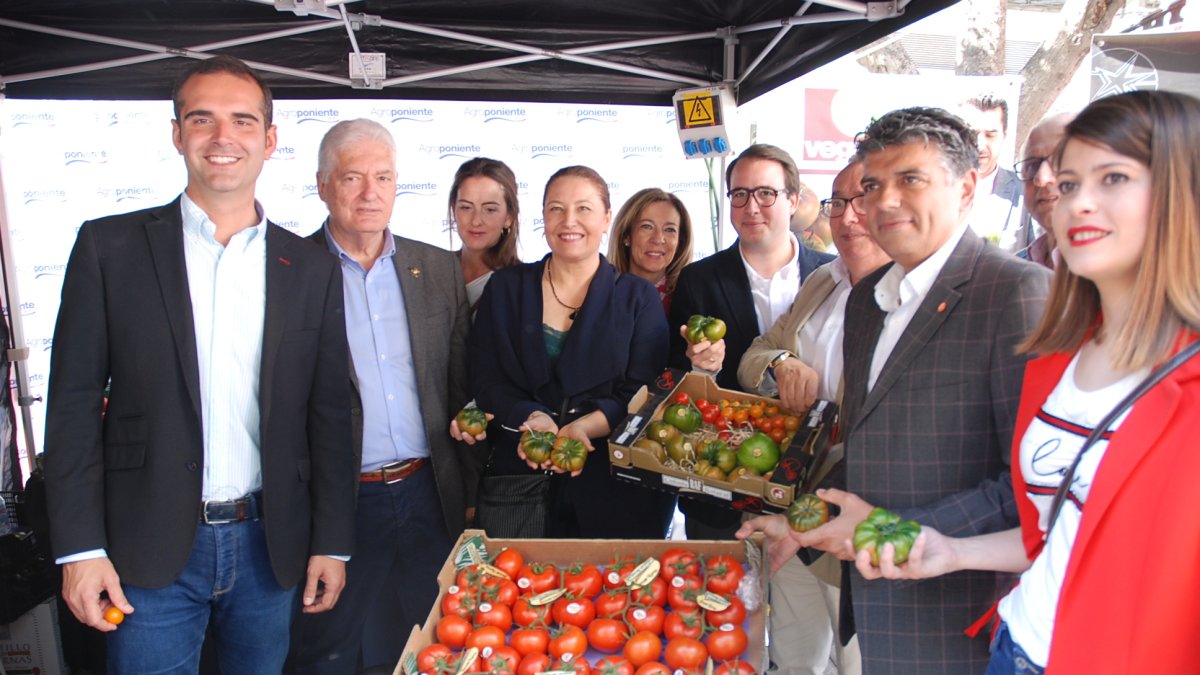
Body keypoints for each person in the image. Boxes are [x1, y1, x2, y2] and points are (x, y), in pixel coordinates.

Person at [855, 90, 1200, 674]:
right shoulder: (1061, 357)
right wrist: (949, 548)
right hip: (1016, 647)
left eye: (1112, 179)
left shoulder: (1019, 295)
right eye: (1067, 185)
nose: (1076, 204)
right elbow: (1055, 520)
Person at [43, 55, 357, 674]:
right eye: (202, 119)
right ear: (177, 134)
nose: (222, 138)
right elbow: (73, 405)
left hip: (271, 546)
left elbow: (329, 414)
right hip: (146, 547)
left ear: (269, 141)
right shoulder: (109, 248)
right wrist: (79, 548)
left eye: (242, 121)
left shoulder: (311, 267)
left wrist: (333, 542)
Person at [743, 106, 1051, 673]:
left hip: (960, 614)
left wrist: (892, 533)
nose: (883, 202)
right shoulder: (867, 301)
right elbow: (857, 452)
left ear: (966, 189)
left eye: (910, 180)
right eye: (871, 185)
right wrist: (798, 523)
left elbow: (1033, 488)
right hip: (875, 604)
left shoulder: (1019, 295)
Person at [285, 120, 479, 674]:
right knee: (328, 646)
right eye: (352, 177)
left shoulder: (438, 269)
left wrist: (466, 490)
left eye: (384, 177)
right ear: (323, 185)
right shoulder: (289, 272)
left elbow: (459, 387)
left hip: (427, 492)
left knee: (438, 639)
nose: (370, 193)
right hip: (340, 502)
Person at [736, 159, 889, 675]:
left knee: (858, 660)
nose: (848, 217)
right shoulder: (824, 279)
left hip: (853, 521)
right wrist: (782, 364)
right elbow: (756, 354)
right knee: (794, 656)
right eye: (839, 202)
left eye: (862, 201)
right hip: (789, 504)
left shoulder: (910, 299)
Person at [469, 165, 676, 538]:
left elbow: (643, 394)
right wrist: (532, 416)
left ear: (607, 218)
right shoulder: (505, 288)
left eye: (583, 209)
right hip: (519, 478)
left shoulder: (636, 297)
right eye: (555, 208)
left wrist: (582, 426)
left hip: (610, 485)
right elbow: (486, 379)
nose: (569, 221)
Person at [669, 143, 835, 540]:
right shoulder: (699, 280)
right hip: (722, 480)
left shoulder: (832, 277)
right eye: (739, 194)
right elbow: (676, 384)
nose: (751, 207)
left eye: (766, 193)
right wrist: (700, 367)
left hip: (812, 482)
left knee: (799, 601)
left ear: (793, 200)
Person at [449, 157, 522, 312]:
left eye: (490, 209)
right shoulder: (434, 271)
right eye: (466, 207)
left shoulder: (520, 284)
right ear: (453, 209)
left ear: (509, 217)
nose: (476, 221)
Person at [606, 187, 694, 313]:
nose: (658, 239)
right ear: (626, 236)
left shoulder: (691, 296)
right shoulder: (600, 291)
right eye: (647, 226)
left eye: (669, 229)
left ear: (680, 241)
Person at [962, 95, 1023, 249]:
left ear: (1004, 136)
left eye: (990, 135)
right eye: (972, 134)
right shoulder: (935, 190)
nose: (980, 145)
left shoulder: (1024, 194)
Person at [1015, 113, 1075, 268]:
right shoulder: (1012, 272)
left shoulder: (1128, 275)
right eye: (1032, 166)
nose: (1041, 179)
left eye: (1060, 160)